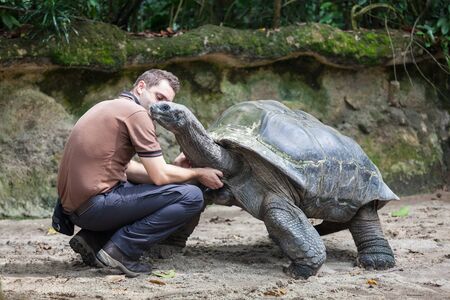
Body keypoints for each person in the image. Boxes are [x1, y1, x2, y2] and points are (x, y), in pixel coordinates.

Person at [56, 69, 223, 277]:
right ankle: (120, 251)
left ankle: (93, 239)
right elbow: (159, 176)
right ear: (141, 86)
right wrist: (198, 173)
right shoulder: (137, 114)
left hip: (75, 209)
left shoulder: (107, 106)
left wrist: (178, 171)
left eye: (166, 102)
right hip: (94, 207)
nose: (158, 106)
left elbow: (131, 169)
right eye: (158, 97)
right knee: (191, 196)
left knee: (155, 189)